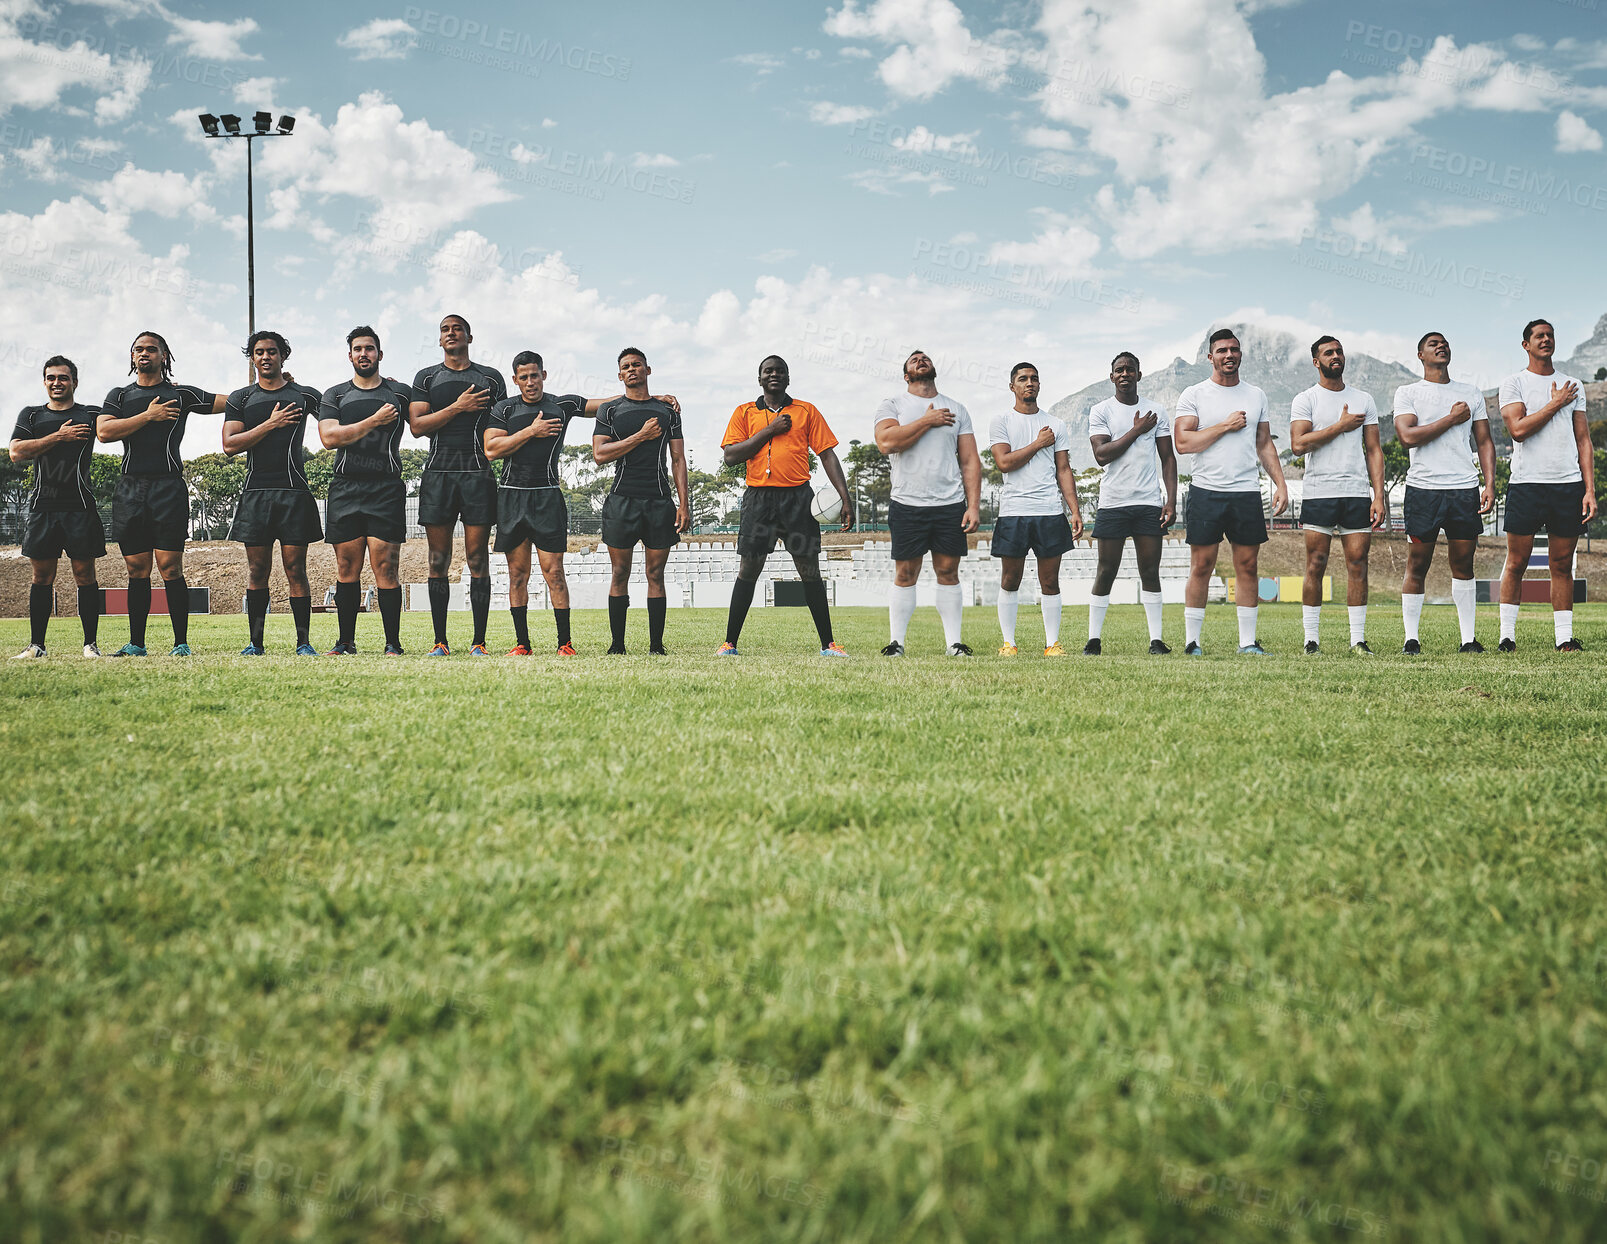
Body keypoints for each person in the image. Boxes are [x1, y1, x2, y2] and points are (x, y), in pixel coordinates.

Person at [485, 353, 680, 655]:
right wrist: (531, 431)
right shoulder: (504, 408)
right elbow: (491, 449)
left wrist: (653, 397)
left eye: (534, 375)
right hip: (511, 495)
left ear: (543, 375)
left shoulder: (561, 405)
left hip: (548, 495)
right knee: (517, 574)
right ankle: (522, 644)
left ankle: (565, 643)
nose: (530, 382)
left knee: (554, 573)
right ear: (515, 380)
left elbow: (608, 404)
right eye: (523, 377)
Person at [97, 331, 227, 656]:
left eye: (151, 349)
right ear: (131, 357)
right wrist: (147, 416)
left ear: (164, 356)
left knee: (170, 567)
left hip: (168, 487)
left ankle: (181, 643)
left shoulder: (181, 394)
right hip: (130, 490)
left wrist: (270, 387)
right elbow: (103, 431)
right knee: (136, 569)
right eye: (138, 349)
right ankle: (136, 644)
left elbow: (232, 401)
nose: (145, 354)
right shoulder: (119, 395)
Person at [717, 355, 853, 657]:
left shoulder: (807, 411)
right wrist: (770, 430)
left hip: (798, 500)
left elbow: (827, 455)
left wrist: (845, 497)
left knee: (809, 570)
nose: (774, 374)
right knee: (748, 569)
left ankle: (828, 644)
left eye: (780, 371)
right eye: (768, 371)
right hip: (758, 501)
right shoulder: (744, 412)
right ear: (760, 379)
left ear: (788, 378)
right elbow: (731, 456)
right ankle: (729, 644)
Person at [1173, 329, 1288, 655]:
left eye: (1234, 349)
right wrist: (1224, 425)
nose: (1228, 355)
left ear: (1240, 355)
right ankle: (1192, 642)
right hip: (1206, 490)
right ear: (1210, 357)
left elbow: (1264, 444)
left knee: (1248, 566)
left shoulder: (1256, 395)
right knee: (1202, 565)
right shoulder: (1193, 394)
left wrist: (1280, 483)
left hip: (1245, 492)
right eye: (1221, 350)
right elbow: (1183, 443)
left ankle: (1248, 643)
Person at [1496, 319, 1597, 652]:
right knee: (1516, 562)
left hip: (1567, 485)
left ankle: (1564, 639)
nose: (1546, 340)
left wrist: (1589, 489)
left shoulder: (1573, 384)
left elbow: (1583, 440)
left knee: (1561, 564)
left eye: (1550, 335)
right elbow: (1518, 430)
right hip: (1526, 485)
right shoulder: (1514, 383)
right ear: (1526, 344)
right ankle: (1506, 637)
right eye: (1539, 336)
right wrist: (1555, 404)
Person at [873, 350, 982, 657]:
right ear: (906, 375)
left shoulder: (957, 408)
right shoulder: (892, 404)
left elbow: (971, 460)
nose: (920, 360)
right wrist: (927, 420)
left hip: (949, 504)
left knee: (948, 571)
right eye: (913, 360)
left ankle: (953, 644)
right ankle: (897, 643)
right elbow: (887, 442)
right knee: (906, 572)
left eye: (925, 357)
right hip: (907, 502)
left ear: (934, 369)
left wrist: (973, 506)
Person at [410, 314, 506, 656]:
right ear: (439, 340)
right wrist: (457, 407)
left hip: (479, 474)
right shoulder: (426, 377)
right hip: (438, 474)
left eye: (457, 328)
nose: (451, 333)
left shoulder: (491, 378)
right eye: (444, 329)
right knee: (438, 560)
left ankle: (478, 642)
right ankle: (440, 641)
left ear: (469, 335)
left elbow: (502, 426)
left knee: (477, 559)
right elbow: (418, 426)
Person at [222, 331, 324, 656]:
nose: (265, 357)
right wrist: (271, 423)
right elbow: (229, 446)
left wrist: (387, 388)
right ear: (252, 358)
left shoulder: (305, 395)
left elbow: (340, 417)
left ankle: (303, 643)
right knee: (257, 570)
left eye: (272, 352)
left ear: (283, 356)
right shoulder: (240, 398)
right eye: (259, 352)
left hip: (294, 492)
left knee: (296, 569)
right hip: (255, 494)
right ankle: (255, 643)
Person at [1394, 331, 1496, 654]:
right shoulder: (1408, 392)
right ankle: (1411, 639)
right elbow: (1408, 436)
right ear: (1420, 355)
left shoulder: (1471, 392)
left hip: (1463, 489)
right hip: (1423, 490)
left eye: (1444, 342)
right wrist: (1451, 418)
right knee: (1418, 563)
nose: (1441, 346)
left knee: (1464, 562)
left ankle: (1468, 640)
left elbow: (1484, 442)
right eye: (1432, 344)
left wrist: (1489, 483)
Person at [1289, 336, 1387, 655]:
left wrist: (1378, 496)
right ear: (1316, 362)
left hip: (1357, 493)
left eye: (1339, 351)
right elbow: (1298, 444)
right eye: (1328, 353)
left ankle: (1358, 640)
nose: (1335, 356)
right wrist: (1340, 426)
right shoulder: (1306, 399)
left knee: (1358, 564)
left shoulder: (1363, 399)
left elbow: (1374, 450)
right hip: (1319, 493)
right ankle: (1311, 640)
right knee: (1315, 563)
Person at [318, 325, 412, 655]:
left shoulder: (400, 393)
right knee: (347, 567)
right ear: (349, 356)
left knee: (386, 566)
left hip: (386, 488)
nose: (364, 353)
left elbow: (426, 419)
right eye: (358, 349)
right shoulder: (335, 395)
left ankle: (392, 644)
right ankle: (345, 642)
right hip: (345, 489)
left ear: (379, 354)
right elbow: (329, 438)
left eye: (369, 348)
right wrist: (373, 420)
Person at [592, 347, 689, 654]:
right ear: (620, 375)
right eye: (626, 366)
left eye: (637, 365)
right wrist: (640, 436)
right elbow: (599, 455)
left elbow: (677, 458)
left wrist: (684, 504)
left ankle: (656, 646)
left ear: (648, 370)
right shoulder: (609, 410)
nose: (632, 369)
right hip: (621, 501)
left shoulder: (668, 411)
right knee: (619, 573)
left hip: (659, 502)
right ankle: (617, 645)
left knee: (655, 574)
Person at [8, 356, 105, 659]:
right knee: (41, 578)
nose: (56, 383)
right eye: (51, 378)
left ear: (75, 381)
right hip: (42, 508)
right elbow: (15, 451)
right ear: (45, 382)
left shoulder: (90, 414)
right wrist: (58, 436)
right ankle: (37, 645)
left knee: (85, 576)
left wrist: (167, 392)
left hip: (80, 508)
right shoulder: (32, 415)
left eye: (63, 377)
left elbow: (123, 420)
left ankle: (91, 644)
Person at [988, 362, 1083, 657]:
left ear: (1039, 385)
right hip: (1014, 511)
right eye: (1023, 379)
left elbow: (1064, 469)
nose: (1029, 383)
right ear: (1012, 386)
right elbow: (1004, 462)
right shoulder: (1000, 421)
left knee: (1050, 580)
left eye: (1034, 379)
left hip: (1049, 510)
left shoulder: (1056, 423)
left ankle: (1052, 644)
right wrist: (1038, 443)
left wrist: (1075, 510)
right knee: (1010, 579)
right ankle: (1009, 643)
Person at [1086, 352, 1175, 654]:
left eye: (1130, 370)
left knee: (1149, 571)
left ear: (1139, 374)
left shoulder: (1156, 410)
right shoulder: (1101, 411)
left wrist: (1171, 500)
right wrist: (1137, 430)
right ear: (1111, 376)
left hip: (1149, 503)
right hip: (1113, 502)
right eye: (1119, 370)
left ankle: (1156, 640)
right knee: (1106, 570)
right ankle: (1093, 640)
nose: (1124, 374)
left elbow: (1168, 458)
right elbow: (1101, 455)